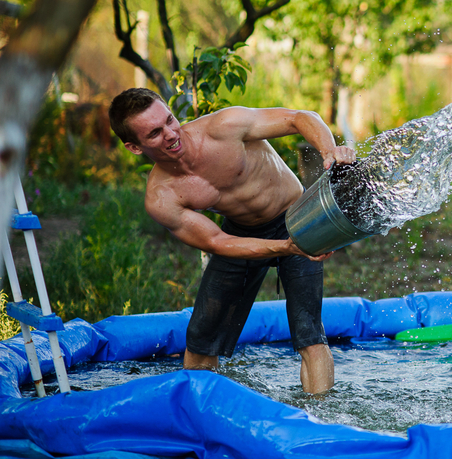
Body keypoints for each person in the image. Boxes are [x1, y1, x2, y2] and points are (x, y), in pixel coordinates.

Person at [108, 88, 356, 394]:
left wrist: (329, 149)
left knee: (310, 336)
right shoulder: (162, 196)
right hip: (239, 234)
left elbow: (299, 118)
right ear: (134, 146)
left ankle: (321, 423)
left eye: (170, 120)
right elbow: (216, 241)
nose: (171, 133)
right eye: (156, 133)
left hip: (297, 220)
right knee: (200, 341)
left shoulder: (224, 126)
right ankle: (202, 418)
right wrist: (282, 248)